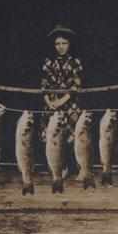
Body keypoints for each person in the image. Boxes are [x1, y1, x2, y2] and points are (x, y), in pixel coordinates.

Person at [39, 25, 84, 175]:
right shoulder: (48, 62)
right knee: (51, 136)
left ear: (69, 44)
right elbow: (44, 84)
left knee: (70, 137)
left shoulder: (75, 62)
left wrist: (61, 101)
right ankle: (54, 168)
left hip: (69, 104)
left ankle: (72, 168)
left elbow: (75, 85)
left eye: (64, 43)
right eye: (58, 44)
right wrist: (48, 101)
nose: (61, 47)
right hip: (51, 104)